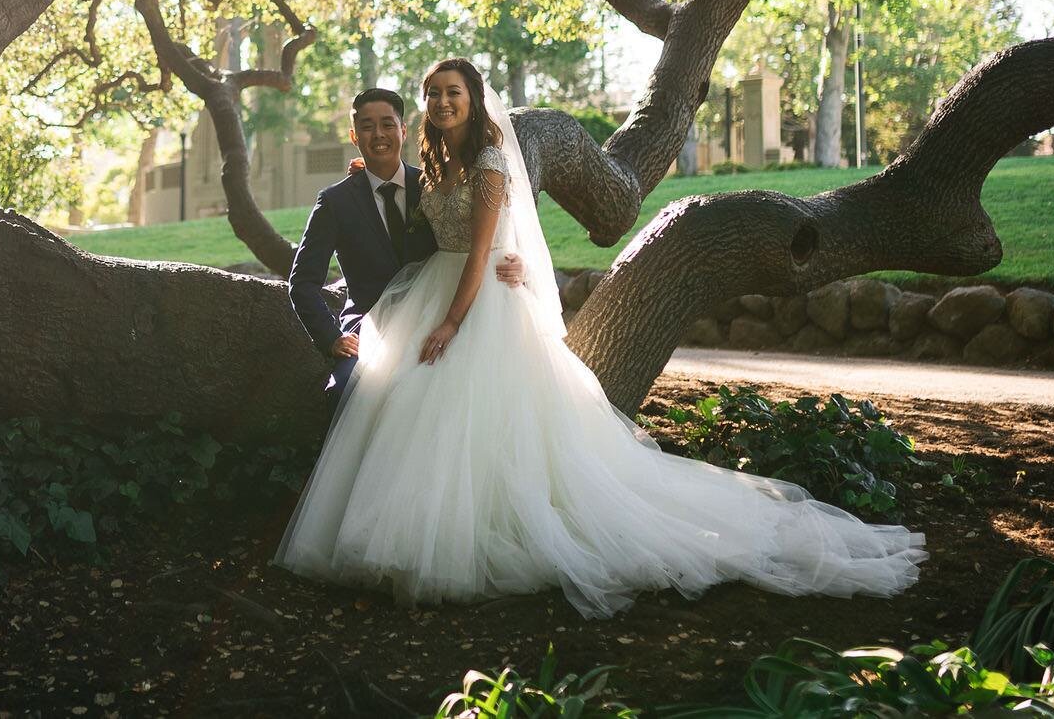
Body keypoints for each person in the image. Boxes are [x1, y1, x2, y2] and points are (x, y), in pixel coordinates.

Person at [275, 58, 926, 614]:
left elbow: (481, 247)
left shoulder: (492, 158)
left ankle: (476, 534)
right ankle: (419, 527)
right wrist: (375, 185)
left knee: (480, 420)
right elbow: (424, 230)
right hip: (424, 299)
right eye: (433, 95)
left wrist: (461, 309)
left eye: (454, 92)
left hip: (471, 305)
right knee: (421, 415)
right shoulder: (425, 166)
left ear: (474, 100)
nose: (442, 103)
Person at [288, 87, 523, 411]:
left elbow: (474, 235)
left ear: (402, 131)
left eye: (387, 124)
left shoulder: (433, 187)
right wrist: (332, 338)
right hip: (372, 326)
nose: (378, 134)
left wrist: (515, 261)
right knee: (344, 392)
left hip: (434, 315)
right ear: (354, 136)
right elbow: (302, 283)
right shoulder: (334, 202)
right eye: (368, 126)